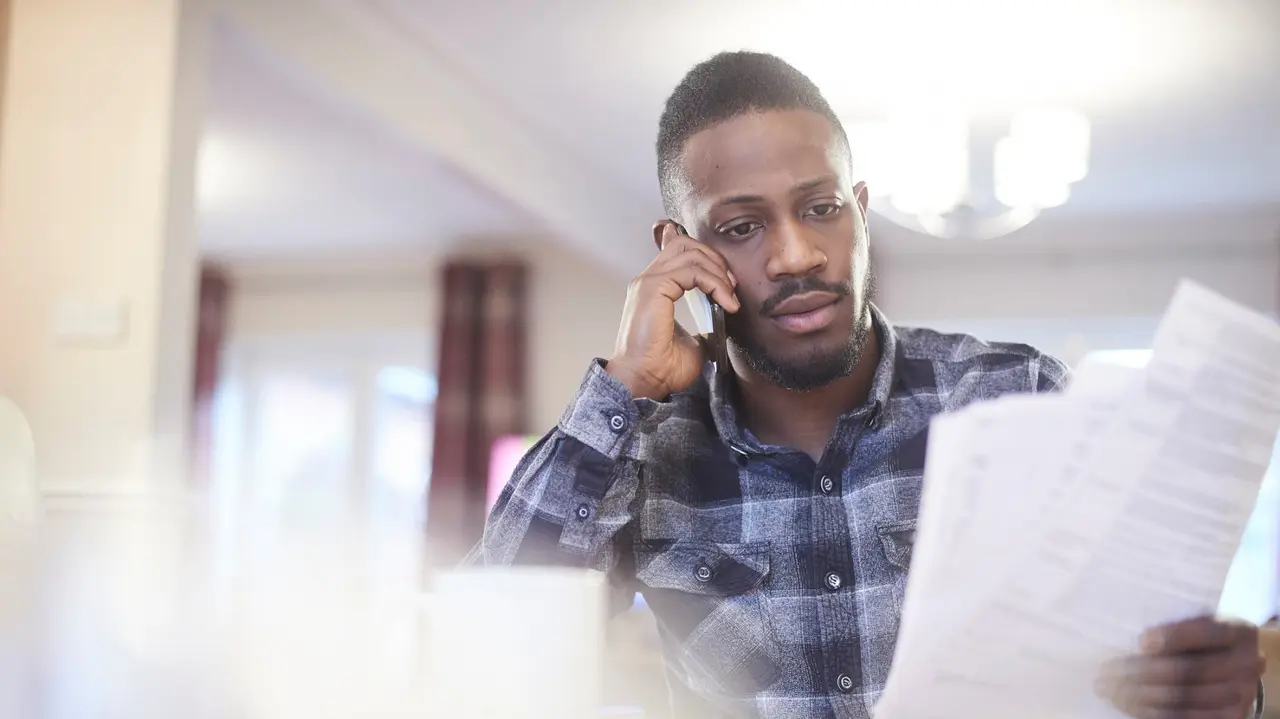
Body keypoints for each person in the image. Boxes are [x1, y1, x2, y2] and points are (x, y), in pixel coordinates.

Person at [475, 51, 1267, 718]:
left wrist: (1225, 684)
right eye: (743, 227)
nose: (796, 255)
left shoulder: (1016, 394)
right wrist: (627, 384)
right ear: (681, 249)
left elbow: (1144, 648)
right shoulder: (641, 449)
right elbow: (489, 653)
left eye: (820, 208)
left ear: (858, 211)